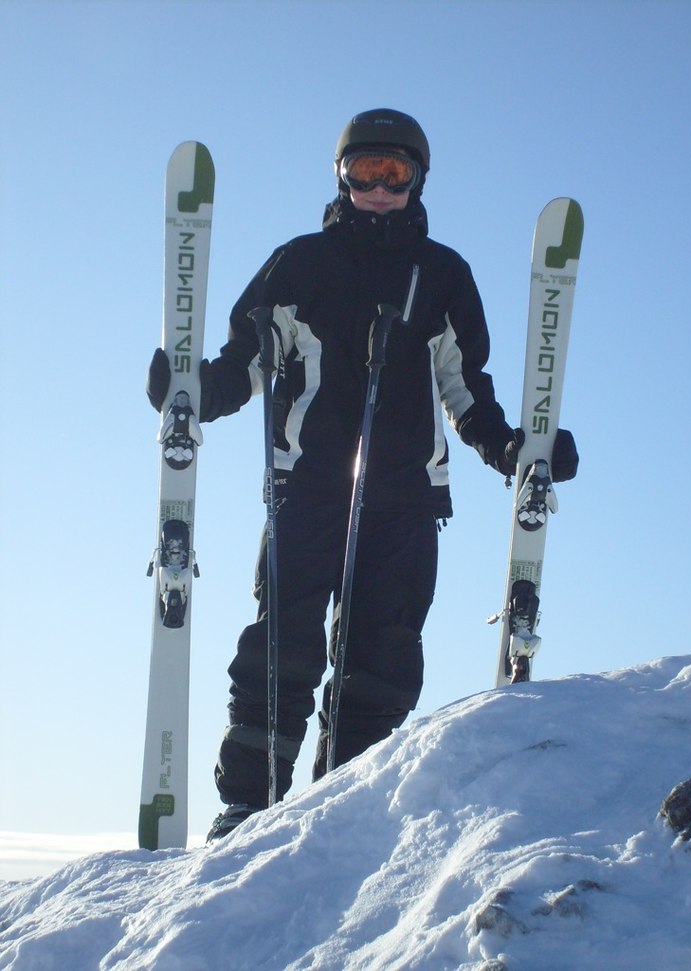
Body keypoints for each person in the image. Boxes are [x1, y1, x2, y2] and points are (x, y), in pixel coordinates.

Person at [147, 108, 579, 841]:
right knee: (279, 652)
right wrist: (198, 393)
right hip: (308, 485)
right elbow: (247, 360)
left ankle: (340, 815)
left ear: (416, 183)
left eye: (395, 175)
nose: (380, 189)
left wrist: (513, 450)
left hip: (405, 500)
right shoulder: (301, 264)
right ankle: (249, 806)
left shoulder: (442, 275)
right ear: (342, 179)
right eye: (365, 173)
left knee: (380, 663)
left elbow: (466, 388)